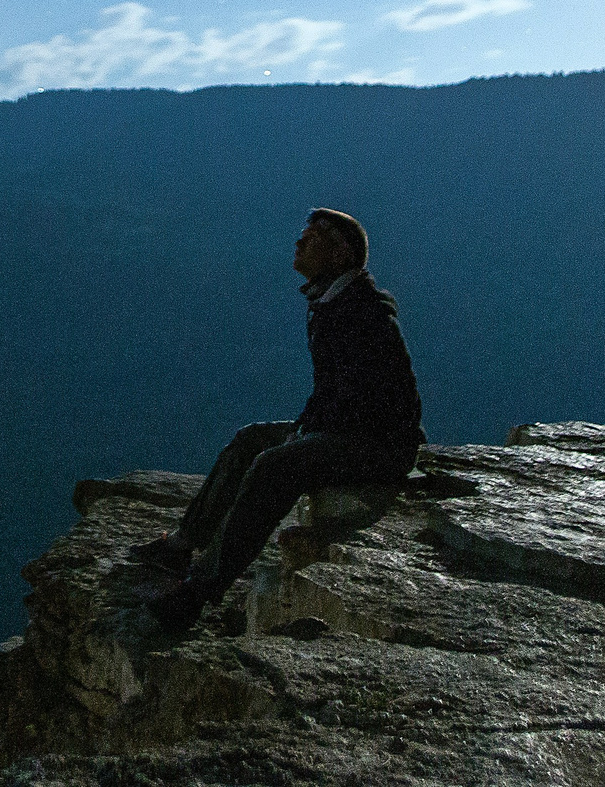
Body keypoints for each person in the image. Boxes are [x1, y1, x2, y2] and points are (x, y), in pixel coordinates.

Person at [135, 207, 423, 633]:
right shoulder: (334, 303)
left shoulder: (362, 314)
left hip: (379, 446)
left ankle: (198, 592)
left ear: (340, 254)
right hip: (350, 433)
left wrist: (307, 434)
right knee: (251, 440)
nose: (299, 243)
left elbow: (376, 401)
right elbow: (334, 391)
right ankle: (183, 543)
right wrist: (308, 429)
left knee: (275, 466)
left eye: (312, 238)